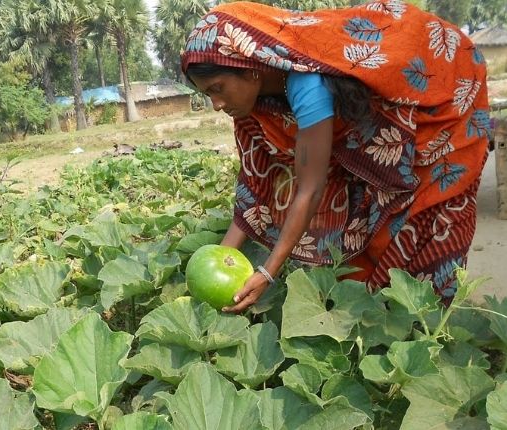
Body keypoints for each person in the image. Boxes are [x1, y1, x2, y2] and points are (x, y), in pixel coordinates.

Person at [181, 1, 491, 312]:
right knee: (364, 229)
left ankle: (429, 325)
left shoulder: (307, 83)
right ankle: (372, 314)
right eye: (208, 94)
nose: (216, 104)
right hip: (381, 128)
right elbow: (257, 180)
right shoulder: (253, 102)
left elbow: (310, 188)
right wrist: (217, 261)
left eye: (218, 88)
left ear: (250, 69)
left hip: (441, 107)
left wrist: (267, 272)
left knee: (422, 215)